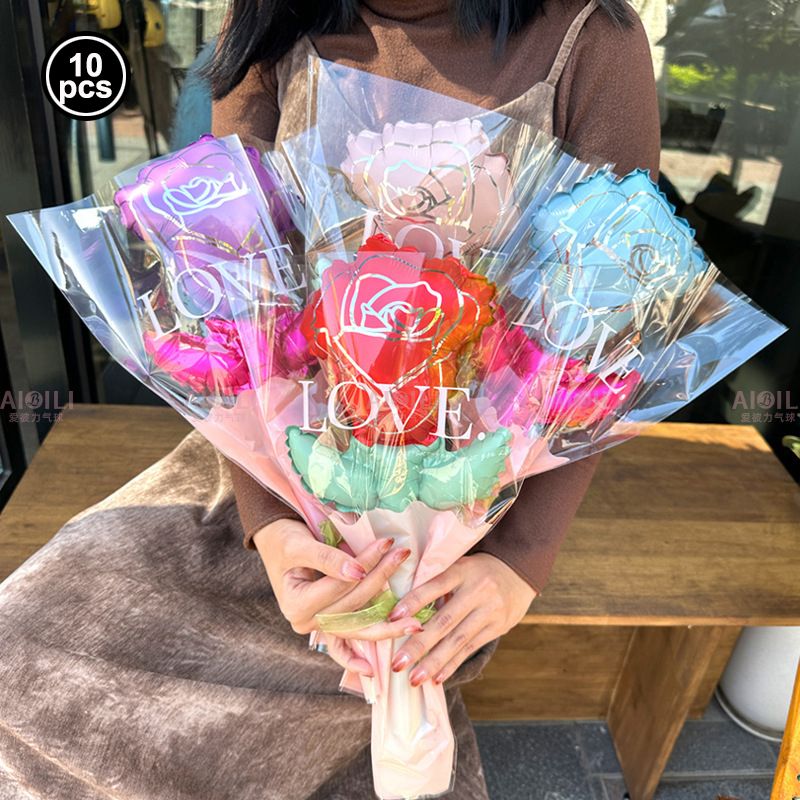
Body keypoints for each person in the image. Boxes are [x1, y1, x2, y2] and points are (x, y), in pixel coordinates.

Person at [0, 2, 659, 799]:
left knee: (365, 682)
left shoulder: (590, 39)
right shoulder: (270, 21)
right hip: (278, 461)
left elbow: (610, 324)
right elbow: (236, 300)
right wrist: (274, 527)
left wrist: (520, 560)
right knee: (27, 645)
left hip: (474, 496)